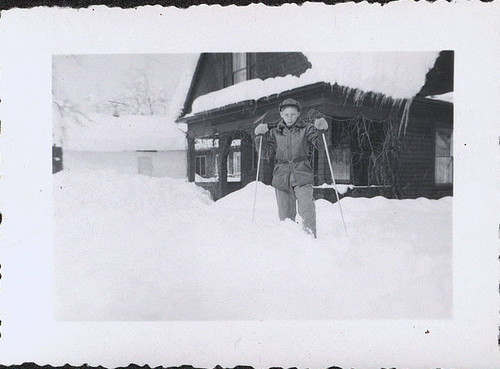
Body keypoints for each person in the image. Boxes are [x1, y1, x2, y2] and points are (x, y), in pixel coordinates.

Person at [254, 98, 328, 238]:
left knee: (307, 209)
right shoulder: (275, 133)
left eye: (293, 114)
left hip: (302, 173)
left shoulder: (307, 129)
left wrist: (322, 131)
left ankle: (310, 238)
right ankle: (289, 243)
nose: (289, 118)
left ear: (298, 114)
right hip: (281, 176)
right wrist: (260, 138)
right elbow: (265, 154)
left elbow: (321, 145)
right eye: (286, 114)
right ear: (281, 114)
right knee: (285, 216)